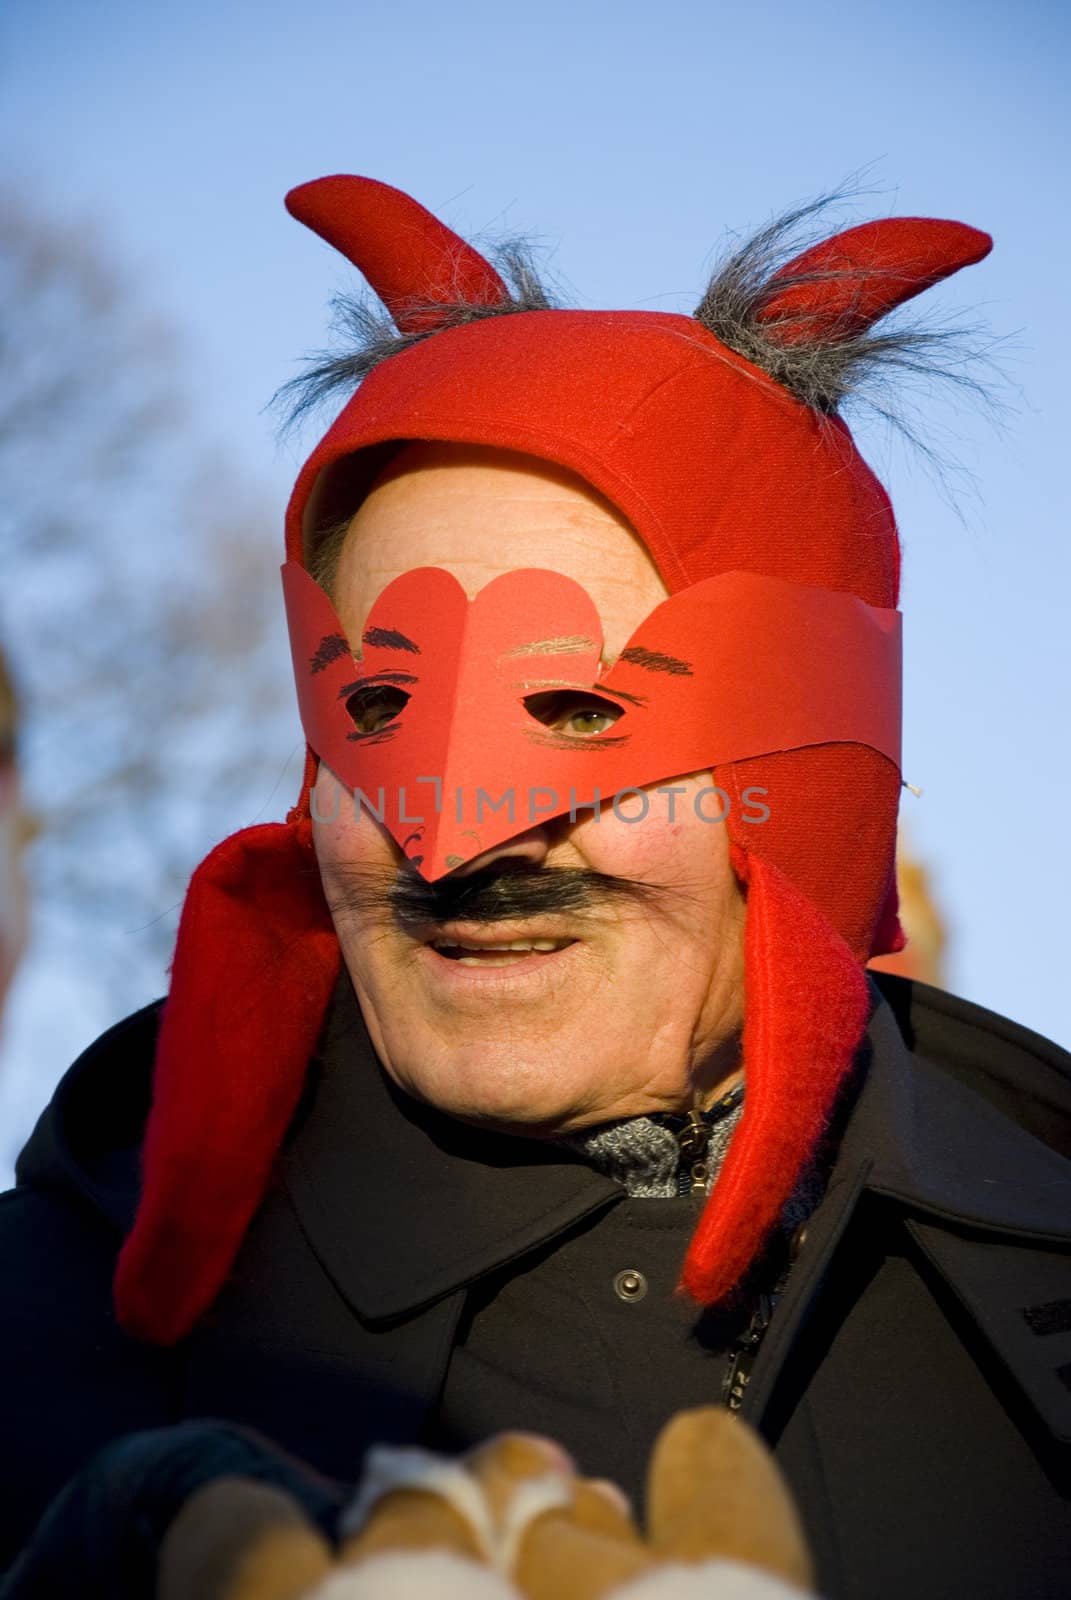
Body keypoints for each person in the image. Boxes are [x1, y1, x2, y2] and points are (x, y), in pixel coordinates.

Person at [2, 175, 1069, 1600]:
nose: (459, 844)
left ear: (812, 781)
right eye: (378, 703)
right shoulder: (49, 1321)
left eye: (575, 709)